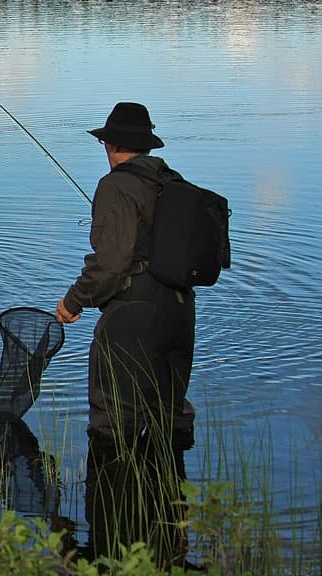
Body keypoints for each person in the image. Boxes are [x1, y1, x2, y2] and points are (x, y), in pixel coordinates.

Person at [55, 102, 196, 452]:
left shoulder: (115, 186)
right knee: (170, 415)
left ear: (113, 145)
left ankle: (111, 501)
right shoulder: (173, 182)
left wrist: (73, 301)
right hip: (180, 312)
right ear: (147, 145)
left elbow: (112, 265)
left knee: (114, 423)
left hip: (133, 318)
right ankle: (173, 499)